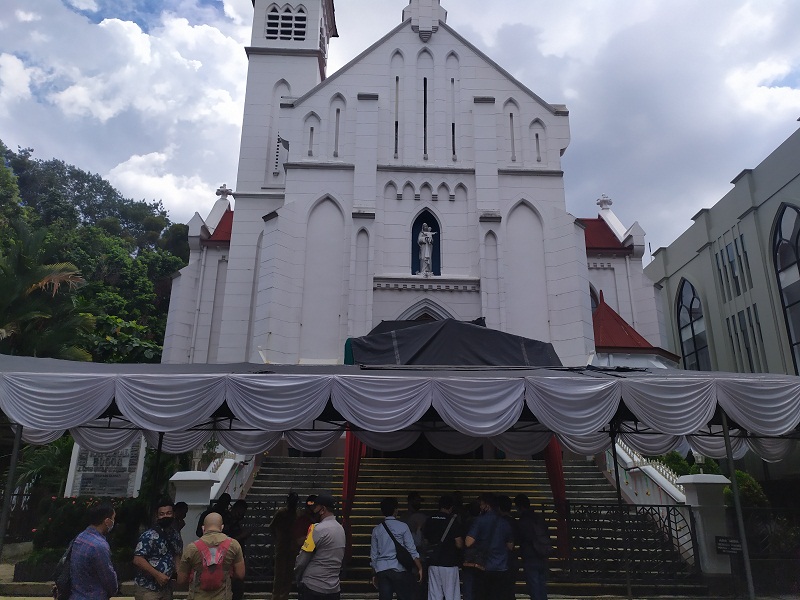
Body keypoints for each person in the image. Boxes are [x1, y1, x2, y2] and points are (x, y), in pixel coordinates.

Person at [177, 512, 245, 600]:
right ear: (222, 527)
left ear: (203, 528)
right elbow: (240, 574)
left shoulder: (191, 548)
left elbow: (181, 580)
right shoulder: (234, 545)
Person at [294, 494, 346, 600]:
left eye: (315, 507)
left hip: (313, 586)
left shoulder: (317, 529)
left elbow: (302, 560)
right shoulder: (341, 529)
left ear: (323, 509)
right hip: (333, 588)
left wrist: (298, 578)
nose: (313, 511)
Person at [370, 497, 423, 600]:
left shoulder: (377, 530)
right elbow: (412, 550)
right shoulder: (403, 527)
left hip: (382, 569)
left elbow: (374, 555)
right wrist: (420, 568)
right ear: (395, 510)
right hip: (399, 568)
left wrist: (373, 573)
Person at [464, 493, 514, 600]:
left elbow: (468, 542)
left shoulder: (479, 521)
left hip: (483, 567)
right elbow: (510, 546)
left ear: (487, 505)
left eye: (481, 504)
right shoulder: (505, 523)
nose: (480, 507)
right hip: (501, 567)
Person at [133, 499, 184, 600]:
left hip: (167, 588)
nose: (165, 516)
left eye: (168, 513)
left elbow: (177, 555)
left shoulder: (175, 535)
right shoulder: (148, 536)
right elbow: (138, 559)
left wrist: (179, 575)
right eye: (162, 514)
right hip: (148, 588)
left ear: (173, 514)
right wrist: (157, 575)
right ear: (157, 517)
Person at [70, 502, 118, 600]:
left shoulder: (79, 538)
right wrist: (114, 589)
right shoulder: (99, 546)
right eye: (113, 518)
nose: (114, 522)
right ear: (107, 521)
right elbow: (108, 577)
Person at [422, 495, 463, 600]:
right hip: (449, 564)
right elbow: (458, 543)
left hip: (434, 563)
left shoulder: (430, 519)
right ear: (451, 507)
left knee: (434, 595)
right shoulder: (452, 520)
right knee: (451, 595)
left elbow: (425, 541)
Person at [514, 494, 549, 600]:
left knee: (534, 587)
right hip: (542, 554)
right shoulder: (538, 518)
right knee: (542, 585)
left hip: (530, 556)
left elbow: (520, 538)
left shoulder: (523, 521)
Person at [269, 492, 299, 600]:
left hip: (292, 546)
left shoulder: (297, 514)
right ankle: (276, 596)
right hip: (282, 545)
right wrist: (278, 537)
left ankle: (284, 595)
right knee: (279, 573)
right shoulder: (281, 512)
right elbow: (272, 526)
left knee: (289, 573)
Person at [226, 500, 251, 600]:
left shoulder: (238, 521)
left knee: (238, 582)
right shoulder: (227, 520)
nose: (241, 515)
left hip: (238, 554)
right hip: (229, 554)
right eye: (240, 512)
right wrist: (242, 535)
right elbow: (226, 540)